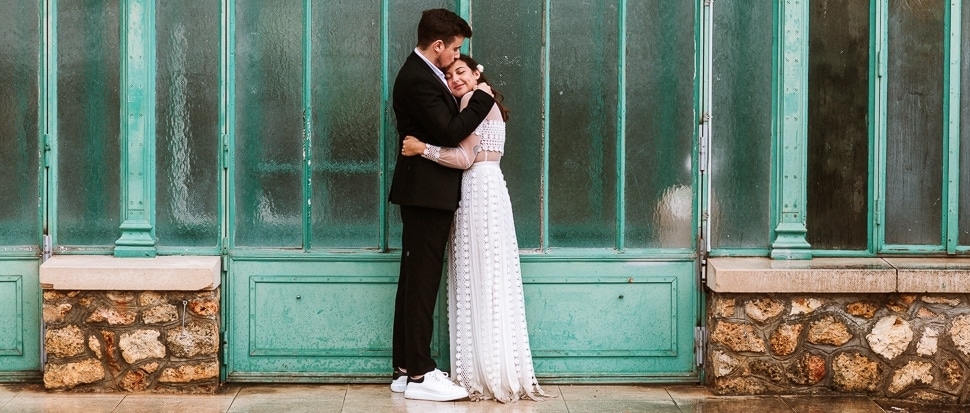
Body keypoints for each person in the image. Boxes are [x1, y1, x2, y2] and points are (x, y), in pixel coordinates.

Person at [401, 54, 548, 403]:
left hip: (477, 191)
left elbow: (464, 158)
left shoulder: (472, 101)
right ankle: (496, 365)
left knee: (476, 277)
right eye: (449, 75)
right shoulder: (485, 100)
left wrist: (422, 149)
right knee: (492, 276)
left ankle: (480, 370)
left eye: (461, 72)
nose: (455, 80)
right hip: (492, 188)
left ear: (476, 73)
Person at [387, 9, 495, 402]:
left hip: (426, 193)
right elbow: (450, 132)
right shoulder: (418, 80)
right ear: (438, 46)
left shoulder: (425, 76)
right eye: (455, 49)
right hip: (425, 194)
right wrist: (483, 99)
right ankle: (419, 373)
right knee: (421, 282)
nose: (457, 57)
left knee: (415, 279)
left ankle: (404, 368)